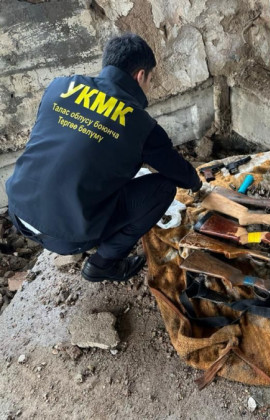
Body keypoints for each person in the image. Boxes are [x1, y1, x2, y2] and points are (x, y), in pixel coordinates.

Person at [6, 33, 202, 283]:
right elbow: (180, 174)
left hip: (18, 210)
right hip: (66, 238)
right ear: (140, 75)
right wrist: (197, 184)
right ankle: (103, 264)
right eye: (150, 79)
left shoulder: (59, 87)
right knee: (162, 189)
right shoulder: (140, 125)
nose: (149, 85)